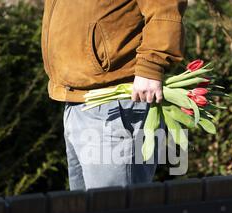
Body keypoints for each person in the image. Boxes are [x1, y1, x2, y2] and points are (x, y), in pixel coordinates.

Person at [41, 0, 187, 190]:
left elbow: (164, 6)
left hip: (116, 104)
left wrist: (152, 65)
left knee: (113, 211)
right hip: (77, 99)